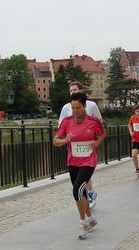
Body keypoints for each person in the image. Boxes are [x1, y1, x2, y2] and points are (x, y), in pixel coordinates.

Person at [53, 92, 106, 239]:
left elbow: (102, 134)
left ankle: (82, 222)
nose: (75, 110)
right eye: (73, 107)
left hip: (88, 161)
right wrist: (65, 141)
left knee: (77, 189)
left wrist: (96, 143)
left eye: (78, 107)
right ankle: (91, 218)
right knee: (81, 193)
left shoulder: (93, 121)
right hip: (73, 161)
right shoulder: (67, 122)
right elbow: (55, 141)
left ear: (84, 106)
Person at [58, 81, 102, 209]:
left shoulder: (92, 105)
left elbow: (99, 121)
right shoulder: (66, 107)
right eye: (71, 90)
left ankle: (90, 194)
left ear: (82, 91)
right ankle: (85, 200)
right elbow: (61, 125)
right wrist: (65, 137)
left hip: (87, 145)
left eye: (75, 90)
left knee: (84, 171)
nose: (73, 92)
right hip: (73, 146)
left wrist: (94, 137)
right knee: (78, 176)